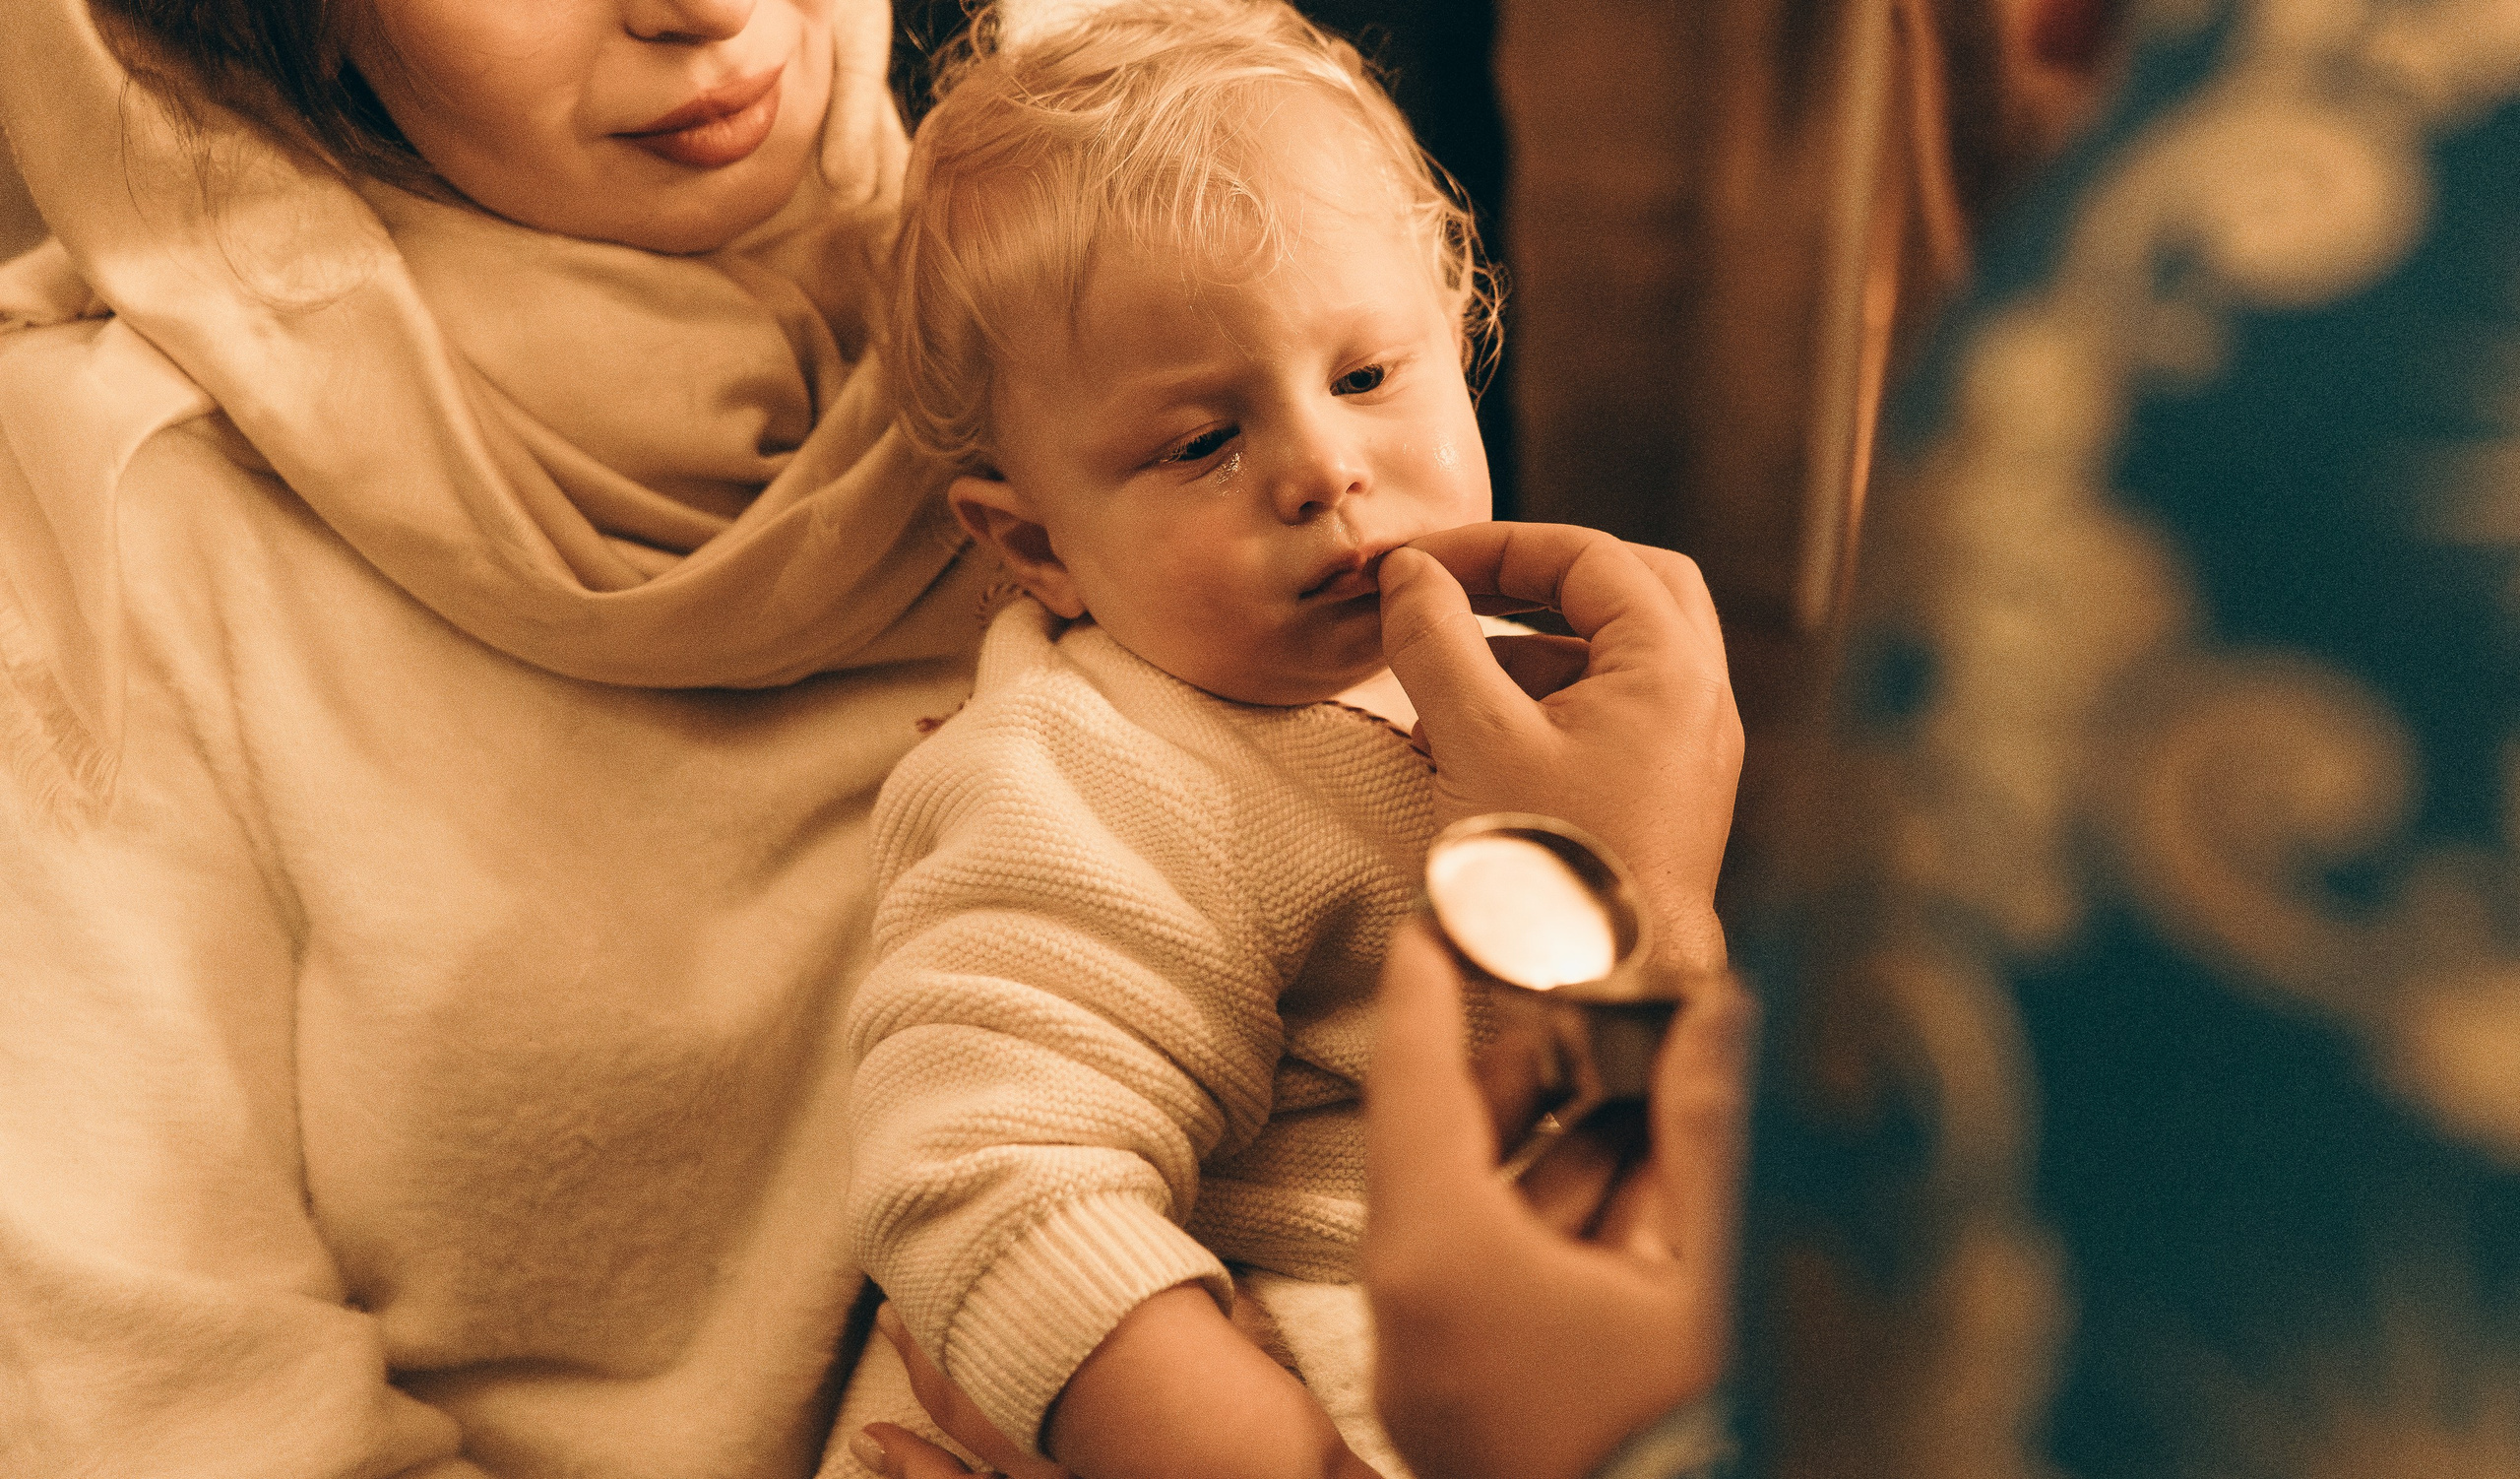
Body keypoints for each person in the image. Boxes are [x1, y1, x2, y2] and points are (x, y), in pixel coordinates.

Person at [0, 4, 1750, 1479]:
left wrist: (1622, 917)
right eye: (1202, 440)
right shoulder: (113, 512)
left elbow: (1584, 1255)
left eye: (1374, 379)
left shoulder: (1142, 224)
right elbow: (156, 1390)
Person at [827, 7, 1607, 1477]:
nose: (1324, 468)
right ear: (1037, 547)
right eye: (1201, 442)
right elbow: (983, 1179)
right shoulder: (1092, 777)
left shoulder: (1541, 690)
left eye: (1370, 374)